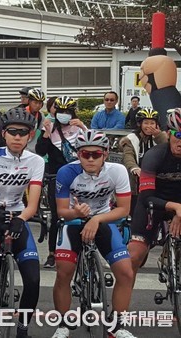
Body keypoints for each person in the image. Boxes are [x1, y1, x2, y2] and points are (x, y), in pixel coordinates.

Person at [51, 129, 135, 338]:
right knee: (63, 273)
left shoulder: (117, 171)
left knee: (126, 272)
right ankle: (62, 324)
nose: (90, 159)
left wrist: (96, 219)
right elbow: (61, 211)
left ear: (105, 154)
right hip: (74, 221)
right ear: (77, 155)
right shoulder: (66, 172)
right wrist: (76, 213)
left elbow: (123, 209)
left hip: (104, 219)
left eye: (95, 154)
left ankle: (117, 327)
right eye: (84, 154)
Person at [0, 107, 44, 338]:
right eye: (12, 131)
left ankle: (22, 328)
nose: (17, 136)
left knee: (33, 279)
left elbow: (32, 203)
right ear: (4, 133)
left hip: (18, 215)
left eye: (23, 132)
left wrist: (21, 219)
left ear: (30, 136)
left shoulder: (36, 161)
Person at [128, 108, 181, 292]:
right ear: (168, 134)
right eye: (178, 134)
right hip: (152, 205)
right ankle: (120, 313)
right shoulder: (154, 155)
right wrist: (175, 207)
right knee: (133, 258)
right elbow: (145, 197)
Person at [35, 96, 86, 268]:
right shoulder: (49, 127)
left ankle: (83, 250)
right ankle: (52, 253)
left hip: (79, 177)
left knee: (83, 214)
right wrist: (46, 134)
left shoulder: (79, 128)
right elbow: (40, 151)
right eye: (60, 111)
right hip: (56, 177)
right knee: (57, 216)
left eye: (67, 111)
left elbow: (93, 147)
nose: (63, 114)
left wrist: (84, 127)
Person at [119, 108, 167, 215]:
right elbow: (128, 155)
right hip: (136, 181)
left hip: (156, 179)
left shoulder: (159, 137)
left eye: (152, 123)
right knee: (136, 209)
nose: (149, 126)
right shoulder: (131, 139)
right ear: (140, 124)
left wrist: (159, 136)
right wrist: (134, 168)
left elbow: (167, 149)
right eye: (145, 123)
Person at [25, 88, 46, 153]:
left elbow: (43, 132)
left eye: (40, 103)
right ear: (29, 101)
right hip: (19, 150)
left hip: (32, 151)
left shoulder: (40, 116)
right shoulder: (21, 114)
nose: (38, 105)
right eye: (35, 102)